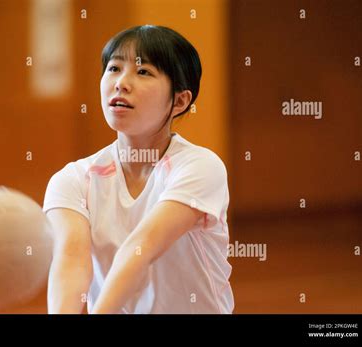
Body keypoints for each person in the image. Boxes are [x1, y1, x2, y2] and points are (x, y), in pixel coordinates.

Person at [43, 25, 234, 314]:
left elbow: (139, 249)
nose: (121, 82)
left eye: (143, 72)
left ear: (180, 101)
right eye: (114, 68)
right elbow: (71, 261)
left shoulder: (200, 167)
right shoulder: (72, 180)